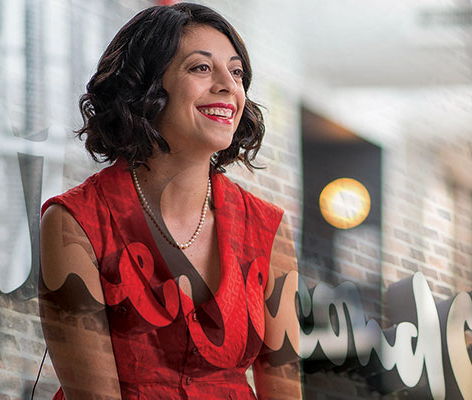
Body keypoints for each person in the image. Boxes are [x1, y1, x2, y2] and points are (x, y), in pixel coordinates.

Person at [38, 3, 301, 399]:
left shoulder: (268, 229)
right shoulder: (74, 222)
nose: (228, 86)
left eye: (237, 72)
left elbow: (285, 393)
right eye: (200, 68)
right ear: (146, 84)